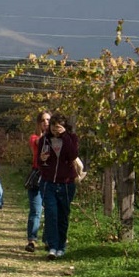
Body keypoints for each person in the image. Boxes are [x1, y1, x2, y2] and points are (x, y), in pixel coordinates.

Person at [36, 113, 79, 259]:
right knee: (51, 214)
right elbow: (39, 162)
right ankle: (52, 246)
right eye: (53, 129)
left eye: (58, 128)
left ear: (64, 127)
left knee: (63, 215)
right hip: (48, 182)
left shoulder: (71, 138)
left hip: (66, 183)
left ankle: (61, 245)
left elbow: (73, 155)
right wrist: (42, 160)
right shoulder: (44, 140)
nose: (56, 131)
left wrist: (65, 136)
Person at [25, 111, 51, 252]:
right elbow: (39, 142)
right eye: (43, 120)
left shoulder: (57, 139)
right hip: (37, 176)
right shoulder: (35, 138)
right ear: (38, 123)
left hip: (51, 177)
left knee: (50, 210)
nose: (46, 122)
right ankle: (32, 240)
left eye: (48, 120)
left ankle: (48, 239)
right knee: (35, 210)